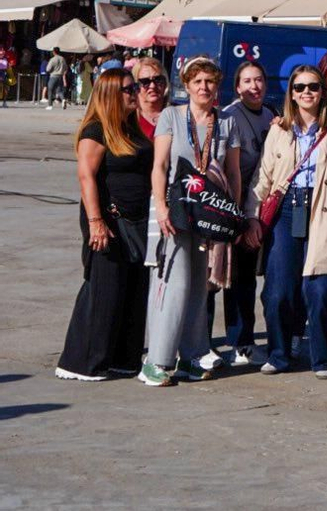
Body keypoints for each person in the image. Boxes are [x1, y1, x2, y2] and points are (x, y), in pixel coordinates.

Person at [247, 65, 327, 378]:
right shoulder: (279, 130)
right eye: (299, 88)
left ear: (322, 91)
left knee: (322, 289)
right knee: (280, 289)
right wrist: (251, 216)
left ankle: (322, 359)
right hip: (286, 209)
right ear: (292, 94)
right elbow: (263, 177)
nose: (306, 92)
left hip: (324, 211)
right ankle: (279, 354)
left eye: (312, 86)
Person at [143, 57, 242, 387]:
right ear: (186, 86)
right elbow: (159, 166)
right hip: (177, 209)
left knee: (200, 286)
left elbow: (233, 173)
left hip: (210, 212)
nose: (204, 87)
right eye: (197, 82)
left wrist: (234, 215)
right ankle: (157, 360)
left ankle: (192, 355)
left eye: (210, 82)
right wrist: (161, 207)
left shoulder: (226, 122)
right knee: (175, 284)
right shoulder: (172, 116)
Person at [55, 69, 152, 381]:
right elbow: (86, 177)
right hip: (108, 219)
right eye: (128, 88)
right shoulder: (96, 131)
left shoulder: (131, 128)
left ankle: (123, 358)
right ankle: (82, 362)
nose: (134, 92)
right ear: (111, 95)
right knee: (104, 288)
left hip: (135, 220)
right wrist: (96, 221)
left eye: (134, 86)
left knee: (134, 288)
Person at [217, 61, 277, 368]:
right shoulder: (231, 117)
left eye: (259, 80)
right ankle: (237, 342)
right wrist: (240, 218)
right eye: (247, 81)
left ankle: (244, 339)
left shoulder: (270, 114)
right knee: (227, 278)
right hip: (234, 207)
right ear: (237, 87)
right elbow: (232, 170)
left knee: (246, 280)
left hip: (261, 207)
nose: (254, 86)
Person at [128, 56, 168, 139]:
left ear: (165, 83)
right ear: (135, 86)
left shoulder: (176, 116)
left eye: (158, 80)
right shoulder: (128, 119)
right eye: (145, 82)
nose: (152, 86)